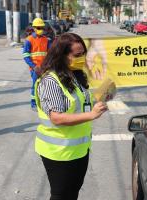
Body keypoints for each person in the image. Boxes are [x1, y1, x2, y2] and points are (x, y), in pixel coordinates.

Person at [34, 33, 108, 200]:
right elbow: (57, 118)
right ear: (62, 56)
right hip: (58, 151)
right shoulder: (51, 81)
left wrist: (101, 98)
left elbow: (80, 103)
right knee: (61, 195)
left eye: (83, 54)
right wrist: (92, 114)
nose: (81, 58)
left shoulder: (75, 74)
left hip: (79, 149)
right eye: (77, 55)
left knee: (73, 192)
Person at [22, 18, 52, 109]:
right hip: (35, 68)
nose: (41, 30)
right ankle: (34, 103)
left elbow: (50, 53)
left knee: (47, 85)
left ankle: (45, 102)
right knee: (36, 85)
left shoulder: (46, 40)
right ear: (34, 28)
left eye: (42, 28)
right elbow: (26, 55)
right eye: (39, 28)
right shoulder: (29, 40)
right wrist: (34, 66)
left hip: (44, 68)